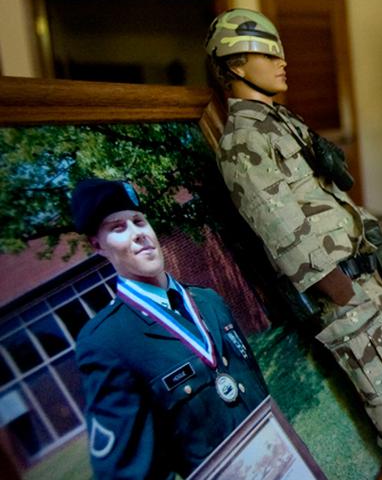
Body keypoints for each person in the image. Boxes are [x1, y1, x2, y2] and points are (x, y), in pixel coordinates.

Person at [206, 8, 382, 480]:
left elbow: (324, 195)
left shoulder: (279, 123)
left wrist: (370, 231)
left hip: (360, 268)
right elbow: (275, 223)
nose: (282, 62)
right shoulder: (243, 141)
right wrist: (333, 285)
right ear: (236, 65)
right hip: (335, 284)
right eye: (267, 53)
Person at [71, 178, 269, 479]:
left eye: (139, 221)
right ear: (97, 245)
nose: (138, 234)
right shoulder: (107, 343)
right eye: (118, 228)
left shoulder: (209, 301)